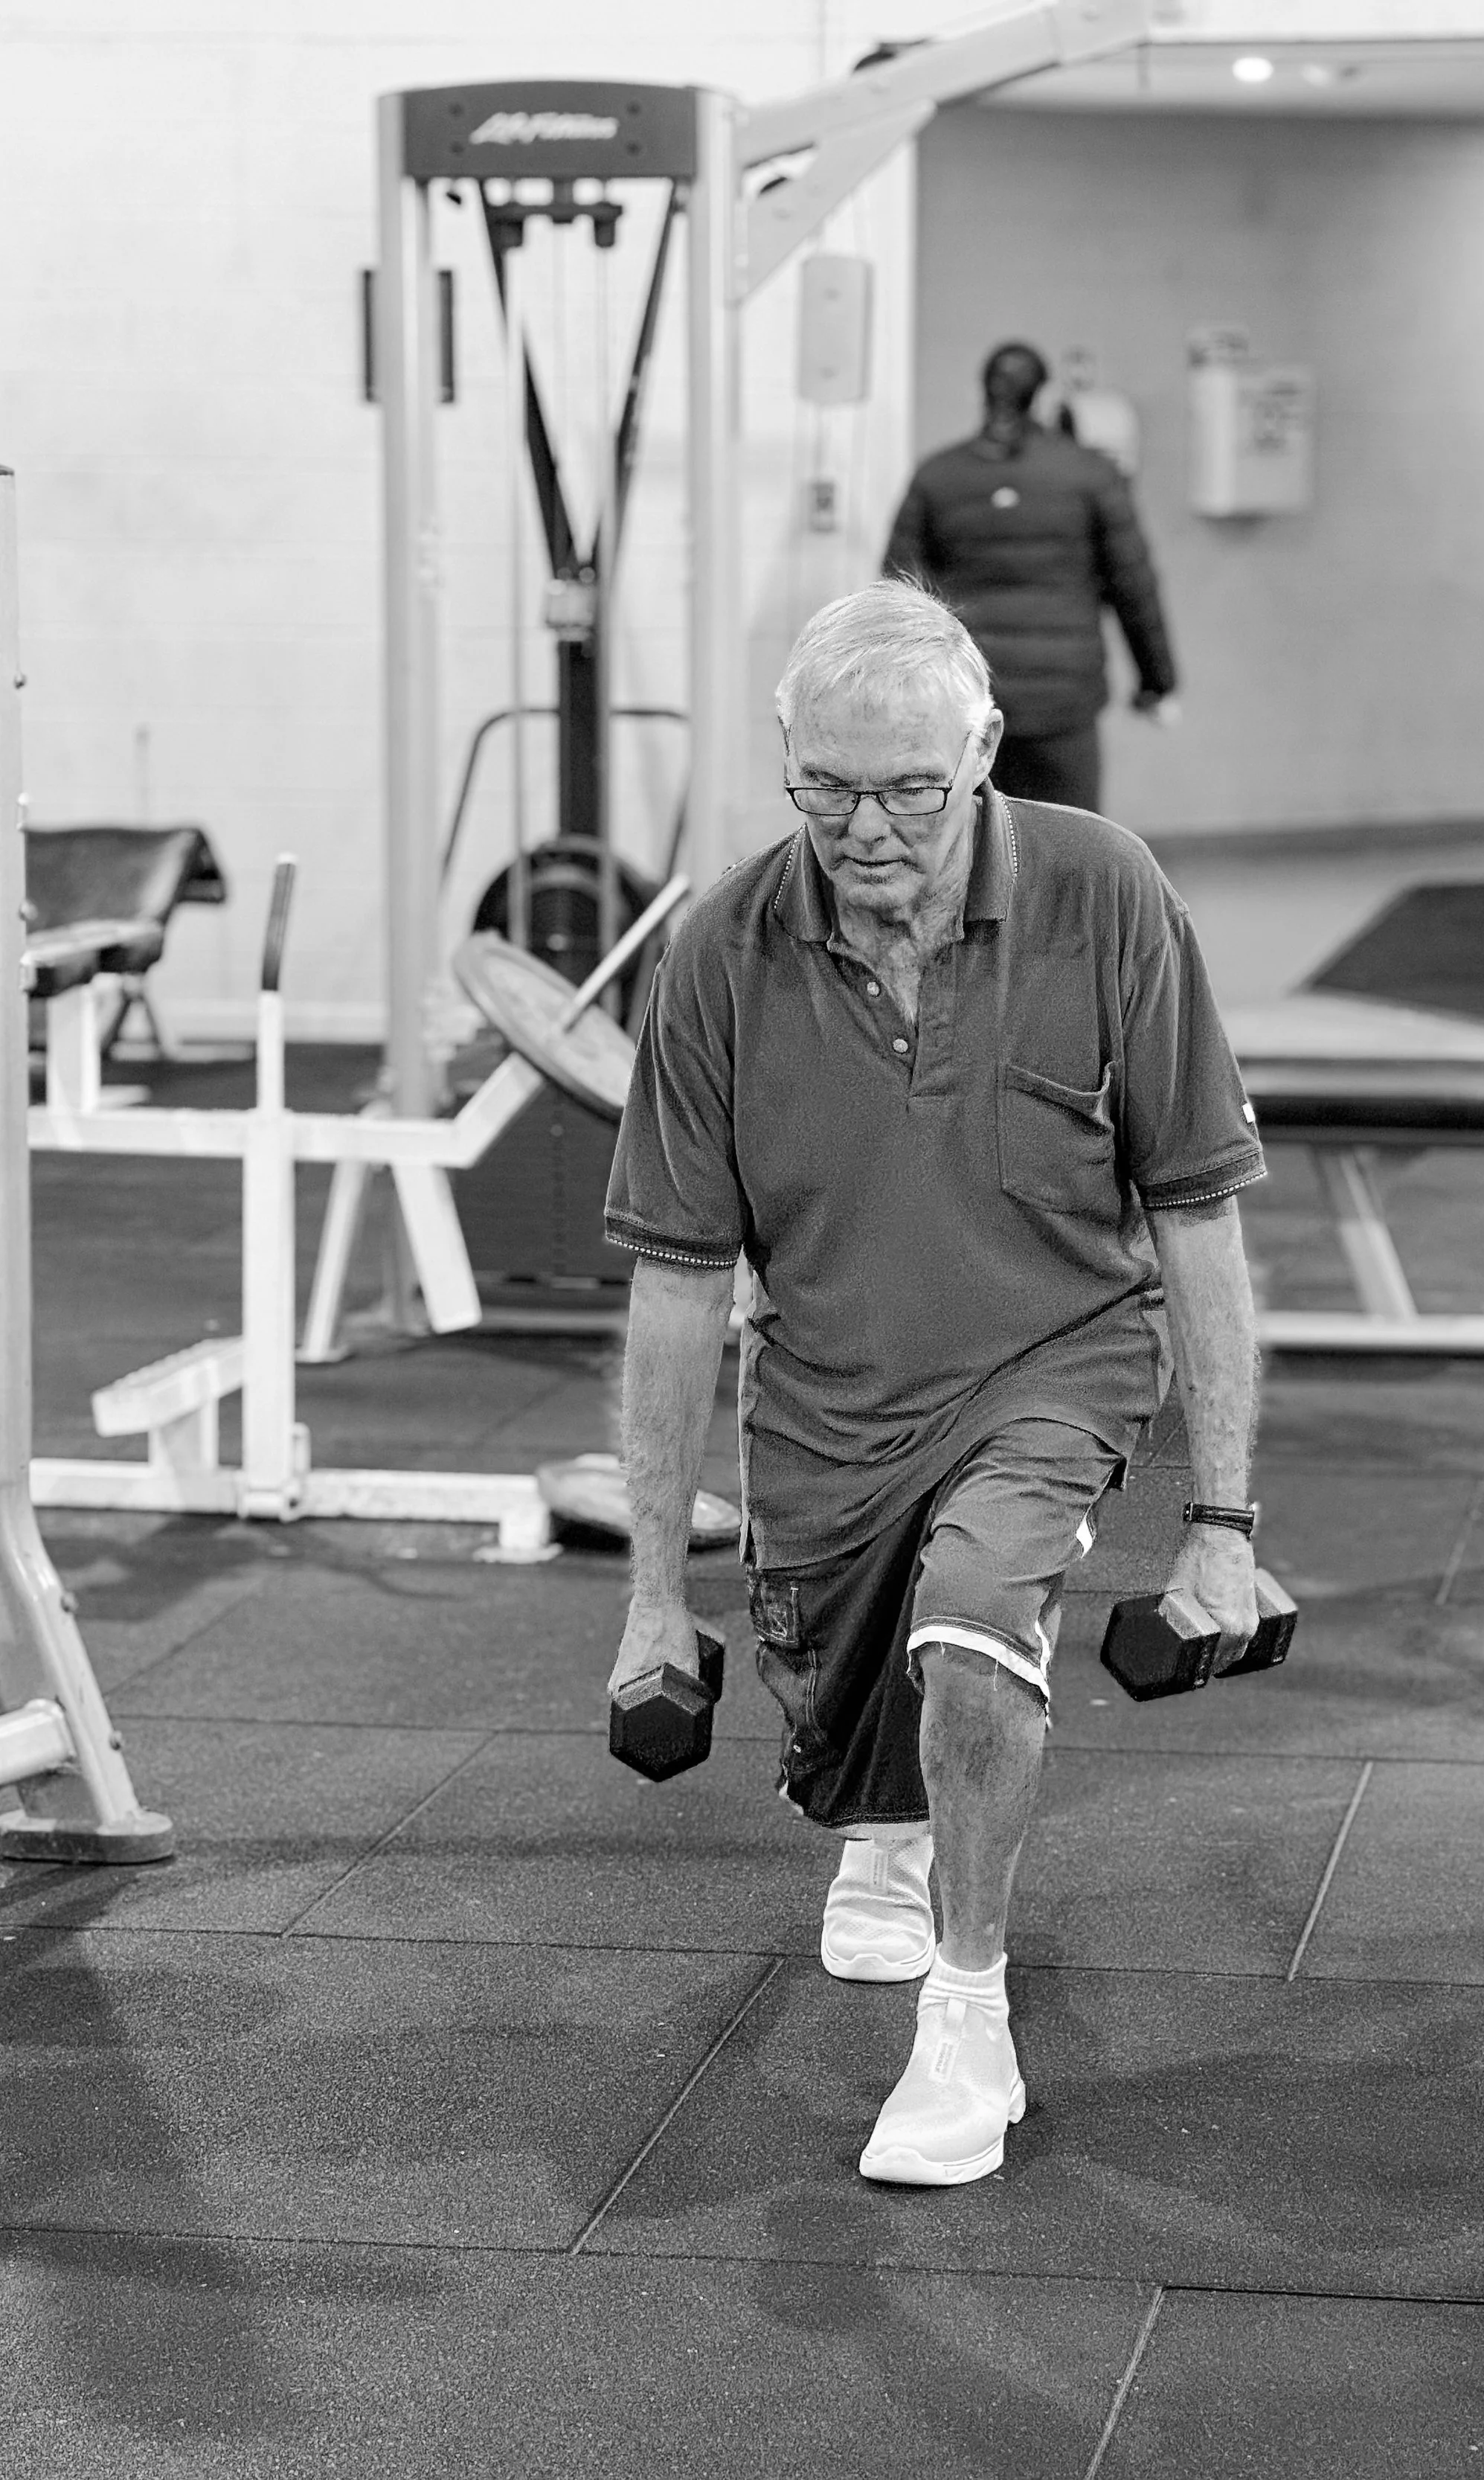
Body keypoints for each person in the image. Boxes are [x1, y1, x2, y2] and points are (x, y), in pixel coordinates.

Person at [603, 579, 1264, 2188]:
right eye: (826, 788)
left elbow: (1195, 1216)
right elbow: (679, 1286)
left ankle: (967, 2020)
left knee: (972, 1630)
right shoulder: (720, 952)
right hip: (830, 1402)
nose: (866, 826)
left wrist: (1219, 1516)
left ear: (979, 755)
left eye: (909, 788)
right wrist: (643, 1589)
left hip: (1054, 1361)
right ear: (786, 771)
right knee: (850, 1743)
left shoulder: (1104, 893)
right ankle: (885, 1825)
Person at [881, 340, 1180, 816]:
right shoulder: (1091, 475)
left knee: (973, 843)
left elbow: (899, 596)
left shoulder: (938, 478)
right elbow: (1134, 586)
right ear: (1043, 397)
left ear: (984, 393)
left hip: (969, 702)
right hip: (1063, 703)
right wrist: (1157, 682)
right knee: (1068, 846)